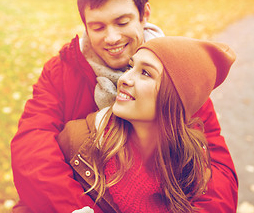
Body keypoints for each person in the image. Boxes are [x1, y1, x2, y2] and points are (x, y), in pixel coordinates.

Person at [10, 0, 238, 212]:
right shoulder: (61, 72)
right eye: (97, 27)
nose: (112, 38)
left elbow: (217, 165)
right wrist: (78, 207)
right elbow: (32, 147)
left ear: (144, 14)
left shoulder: (177, 75)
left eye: (122, 22)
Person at [57, 36, 236, 213]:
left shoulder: (192, 168)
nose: (124, 79)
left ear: (174, 98)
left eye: (145, 73)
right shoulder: (78, 142)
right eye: (131, 67)